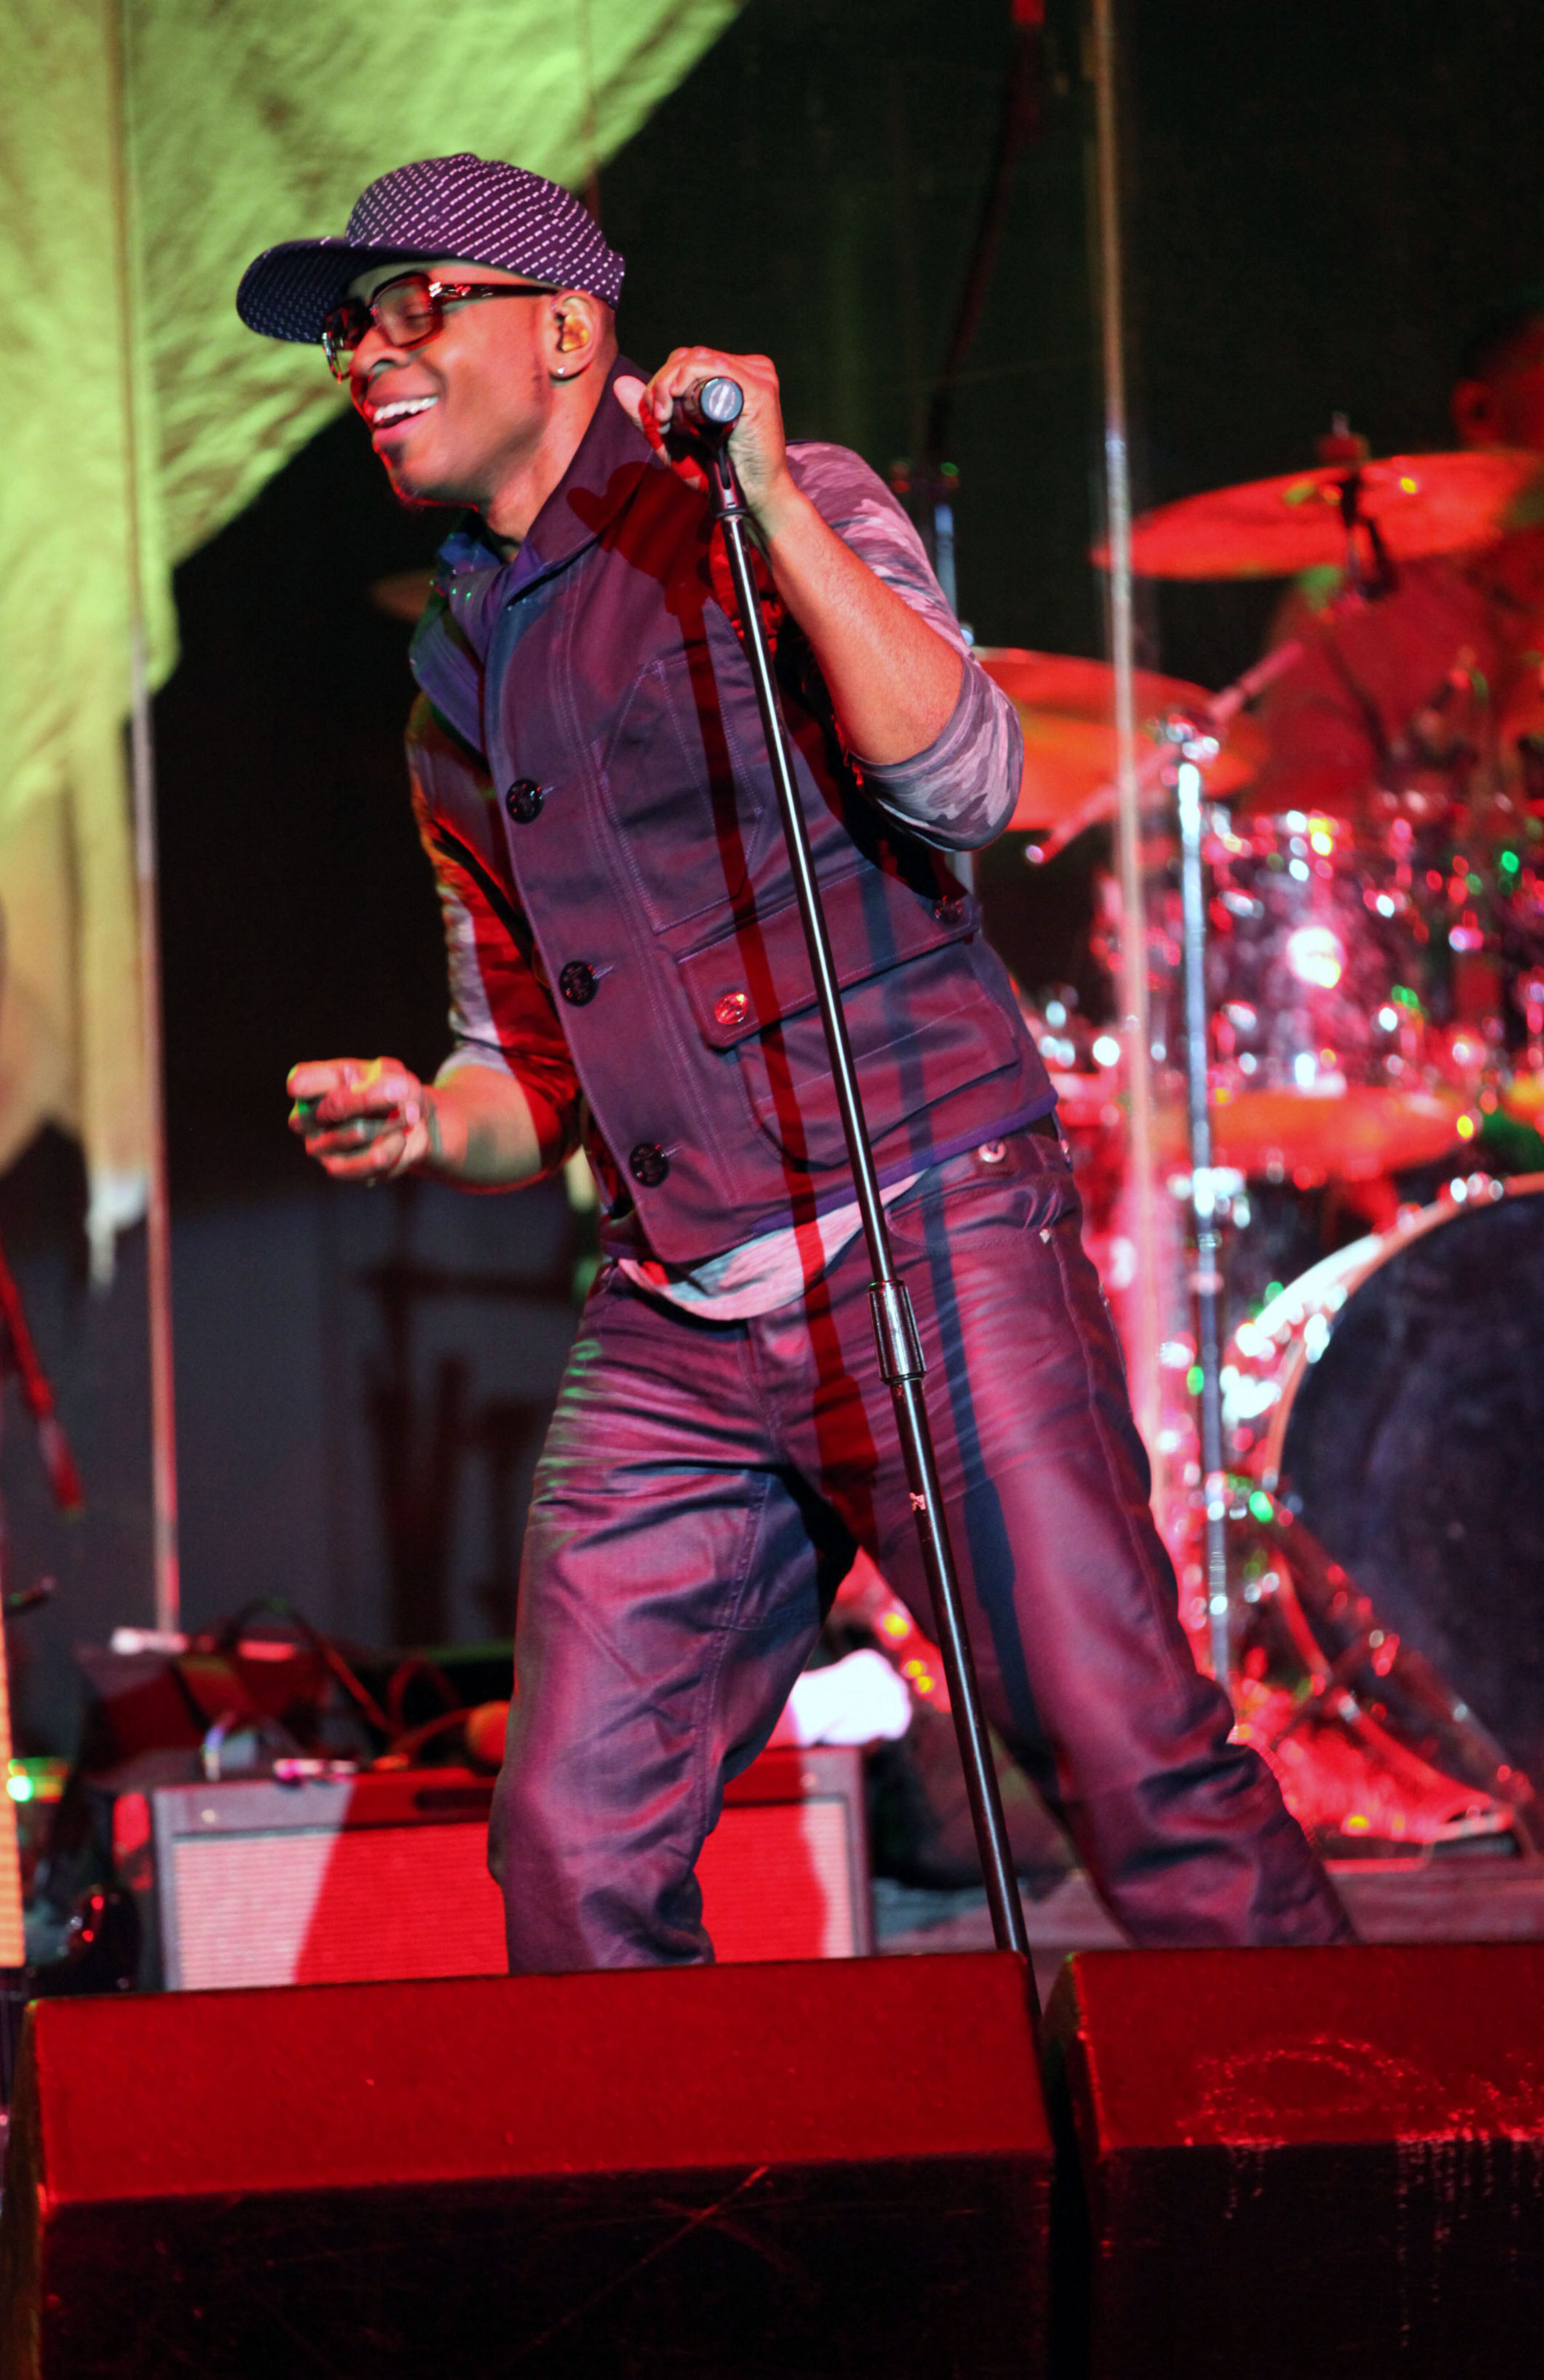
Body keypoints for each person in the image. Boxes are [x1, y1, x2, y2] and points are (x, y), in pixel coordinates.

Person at [238, 154, 1349, 1969]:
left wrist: (760, 490)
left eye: (412, 304)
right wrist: (427, 1114)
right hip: (681, 1318)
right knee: (571, 1857)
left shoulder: (784, 503)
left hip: (927, 1245)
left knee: (1136, 1771)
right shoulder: (455, 669)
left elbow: (968, 778)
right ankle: (683, 2253)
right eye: (351, 330)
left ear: (569, 328)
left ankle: (1382, 2200)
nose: (369, 353)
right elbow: (528, 1079)